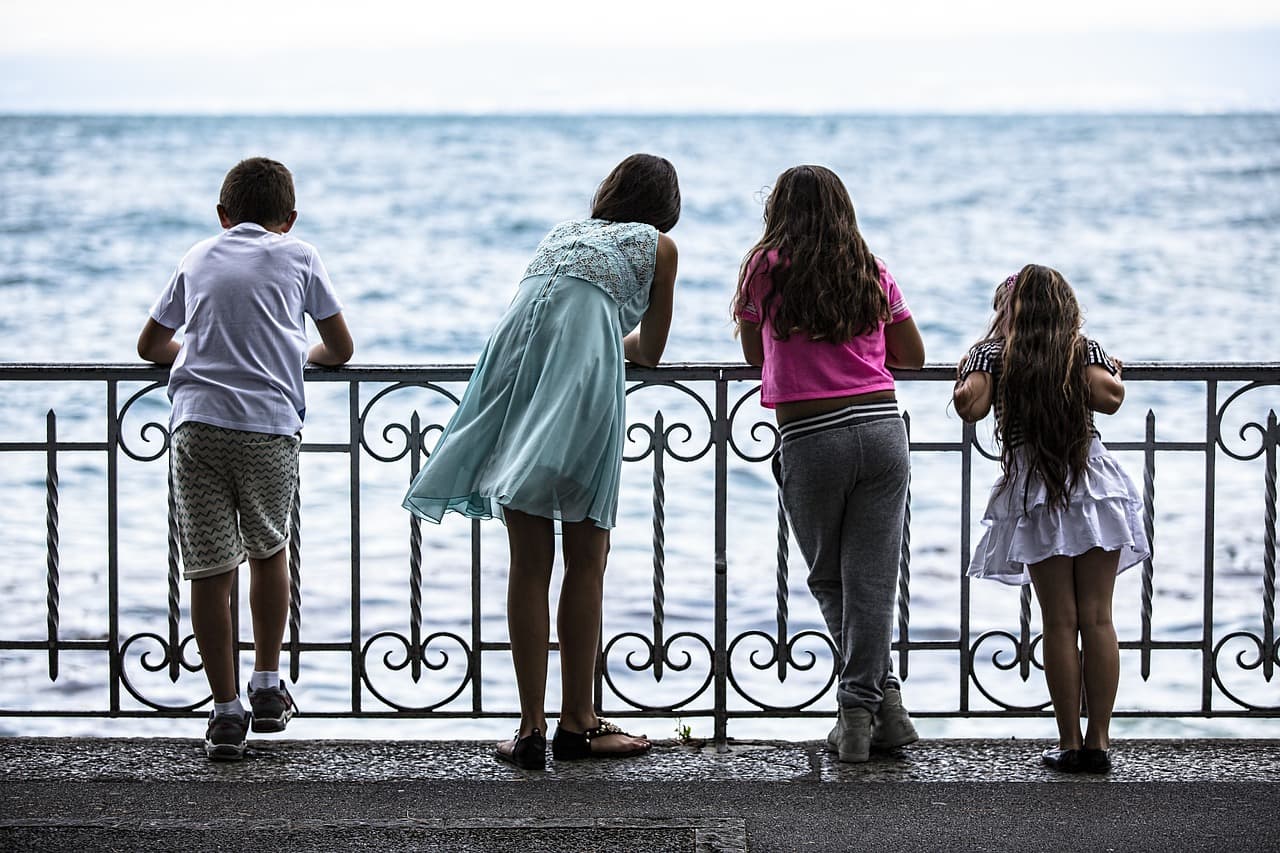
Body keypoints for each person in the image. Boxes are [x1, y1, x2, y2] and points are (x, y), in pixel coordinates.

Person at [402, 153, 680, 770]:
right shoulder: (658, 246)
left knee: (528, 562)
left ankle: (530, 727)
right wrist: (612, 336)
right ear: (666, 208)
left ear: (609, 192)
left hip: (514, 380)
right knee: (587, 559)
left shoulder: (562, 233)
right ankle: (578, 724)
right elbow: (652, 352)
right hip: (577, 389)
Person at [137, 157, 354, 760]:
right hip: (267, 428)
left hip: (197, 425)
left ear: (222, 215)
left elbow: (150, 344)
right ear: (289, 219)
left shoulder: (197, 255)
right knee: (268, 551)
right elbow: (341, 347)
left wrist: (202, 354)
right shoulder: (301, 255)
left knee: (209, 567)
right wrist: (291, 358)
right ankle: (266, 683)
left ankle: (225, 712)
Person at [732, 165, 925, 763]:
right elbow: (913, 357)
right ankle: (883, 706)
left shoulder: (763, 268)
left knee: (829, 579)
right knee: (871, 582)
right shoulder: (870, 267)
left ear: (779, 211)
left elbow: (751, 351)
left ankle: (855, 713)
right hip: (881, 428)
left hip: (811, 436)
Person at [953, 264, 1148, 774]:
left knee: (1059, 622)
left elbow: (969, 407)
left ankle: (1069, 741)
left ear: (1008, 311)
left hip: (1036, 490)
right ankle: (1100, 741)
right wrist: (1113, 366)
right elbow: (1110, 397)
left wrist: (977, 357)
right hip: (1092, 484)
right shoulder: (1081, 349)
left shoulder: (996, 354)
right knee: (1099, 618)